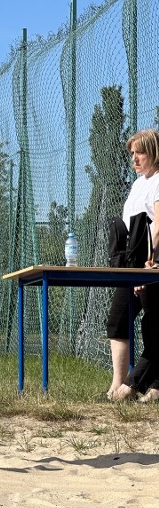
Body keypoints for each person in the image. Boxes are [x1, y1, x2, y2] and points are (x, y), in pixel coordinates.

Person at [108, 129, 159, 402]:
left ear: (154, 151)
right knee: (118, 320)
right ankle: (117, 384)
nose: (135, 159)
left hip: (151, 261)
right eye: (131, 154)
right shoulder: (138, 184)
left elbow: (158, 225)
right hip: (131, 260)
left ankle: (139, 386)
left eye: (140, 152)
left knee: (153, 325)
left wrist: (148, 263)